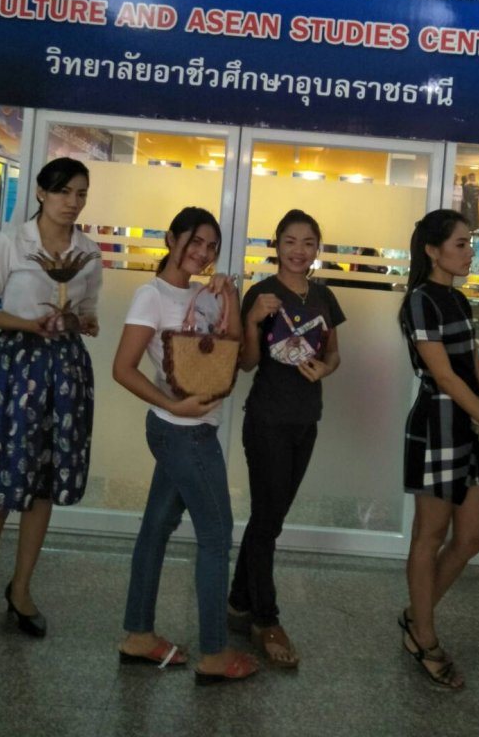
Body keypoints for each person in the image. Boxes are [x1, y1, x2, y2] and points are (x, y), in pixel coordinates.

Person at [0, 157, 102, 677]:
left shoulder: (88, 252)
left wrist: (81, 322)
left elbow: (90, 313)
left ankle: (20, 590)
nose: (72, 202)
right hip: (16, 370)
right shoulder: (11, 242)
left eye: (80, 193)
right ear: (40, 192)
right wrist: (30, 325)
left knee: (42, 488)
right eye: (63, 191)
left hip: (65, 374)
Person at [112, 207, 257, 685]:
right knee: (216, 535)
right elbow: (123, 368)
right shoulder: (151, 296)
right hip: (182, 432)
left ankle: (137, 635)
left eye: (211, 247)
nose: (203, 252)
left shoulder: (203, 295)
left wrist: (229, 296)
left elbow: (233, 350)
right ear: (171, 239)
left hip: (192, 429)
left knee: (156, 528)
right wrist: (174, 406)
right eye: (195, 242)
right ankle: (215, 653)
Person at [398, 209, 479, 691]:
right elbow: (445, 377)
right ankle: (424, 637)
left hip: (465, 425)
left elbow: (473, 367)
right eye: (461, 244)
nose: (471, 252)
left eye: (469, 243)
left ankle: (417, 615)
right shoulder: (419, 302)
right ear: (432, 251)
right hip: (436, 423)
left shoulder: (457, 298)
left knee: (472, 536)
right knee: (429, 535)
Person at [227, 210, 344, 667]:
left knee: (269, 518)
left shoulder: (323, 296)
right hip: (267, 419)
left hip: (306, 419)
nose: (299, 250)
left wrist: (325, 369)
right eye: (290, 241)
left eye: (308, 242)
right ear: (276, 244)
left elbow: (334, 353)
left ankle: (239, 601)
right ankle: (266, 618)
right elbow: (246, 363)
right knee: (267, 521)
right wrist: (253, 321)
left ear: (317, 248)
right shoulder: (260, 294)